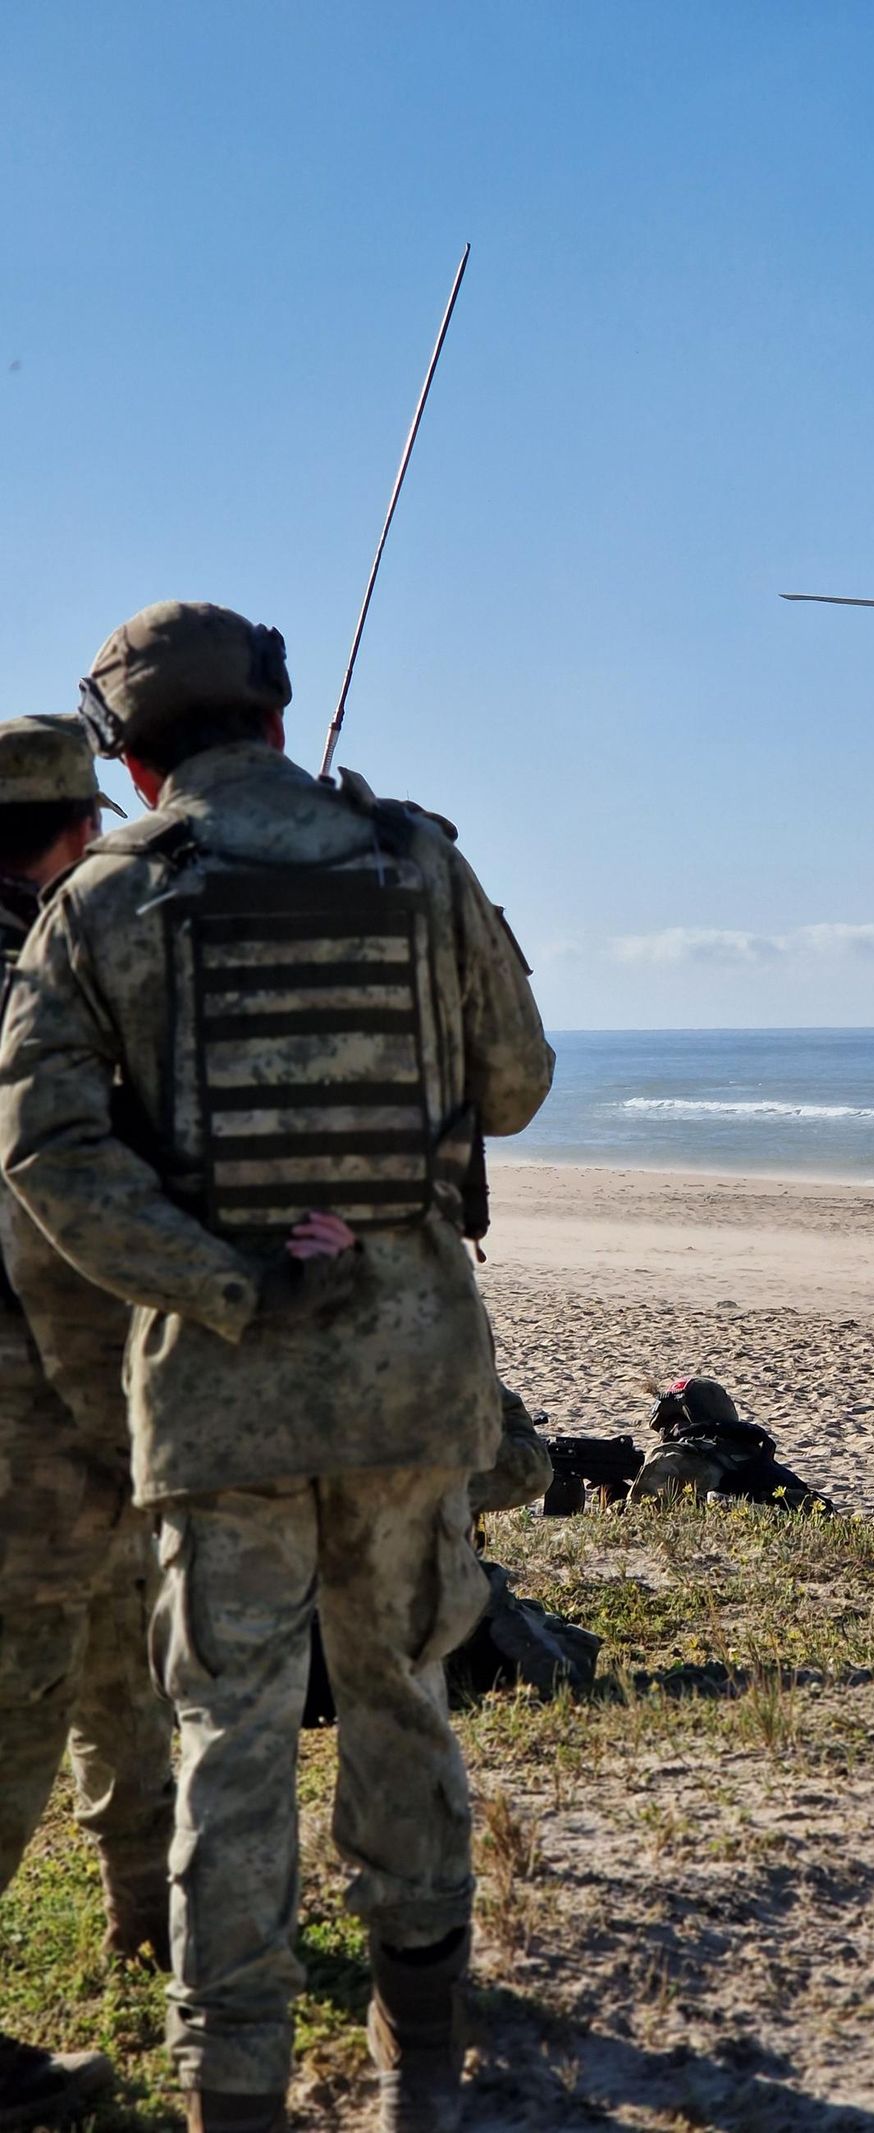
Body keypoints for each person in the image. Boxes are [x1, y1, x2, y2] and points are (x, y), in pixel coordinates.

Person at [0, 603, 554, 2133]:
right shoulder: (421, 859)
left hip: (216, 1396)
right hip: (411, 1376)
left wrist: (227, 1283)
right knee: (400, 1695)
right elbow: (515, 1082)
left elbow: (47, 1152)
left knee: (228, 1730)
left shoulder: (100, 901)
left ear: (124, 750)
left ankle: (231, 2084)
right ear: (279, 715)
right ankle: (421, 2057)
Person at [0, 716, 175, 2129]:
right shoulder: (40, 984)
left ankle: (151, 1921)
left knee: (115, 1654)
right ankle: (151, 1919)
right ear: (72, 833)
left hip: (52, 1392)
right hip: (41, 1393)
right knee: (30, 1693)